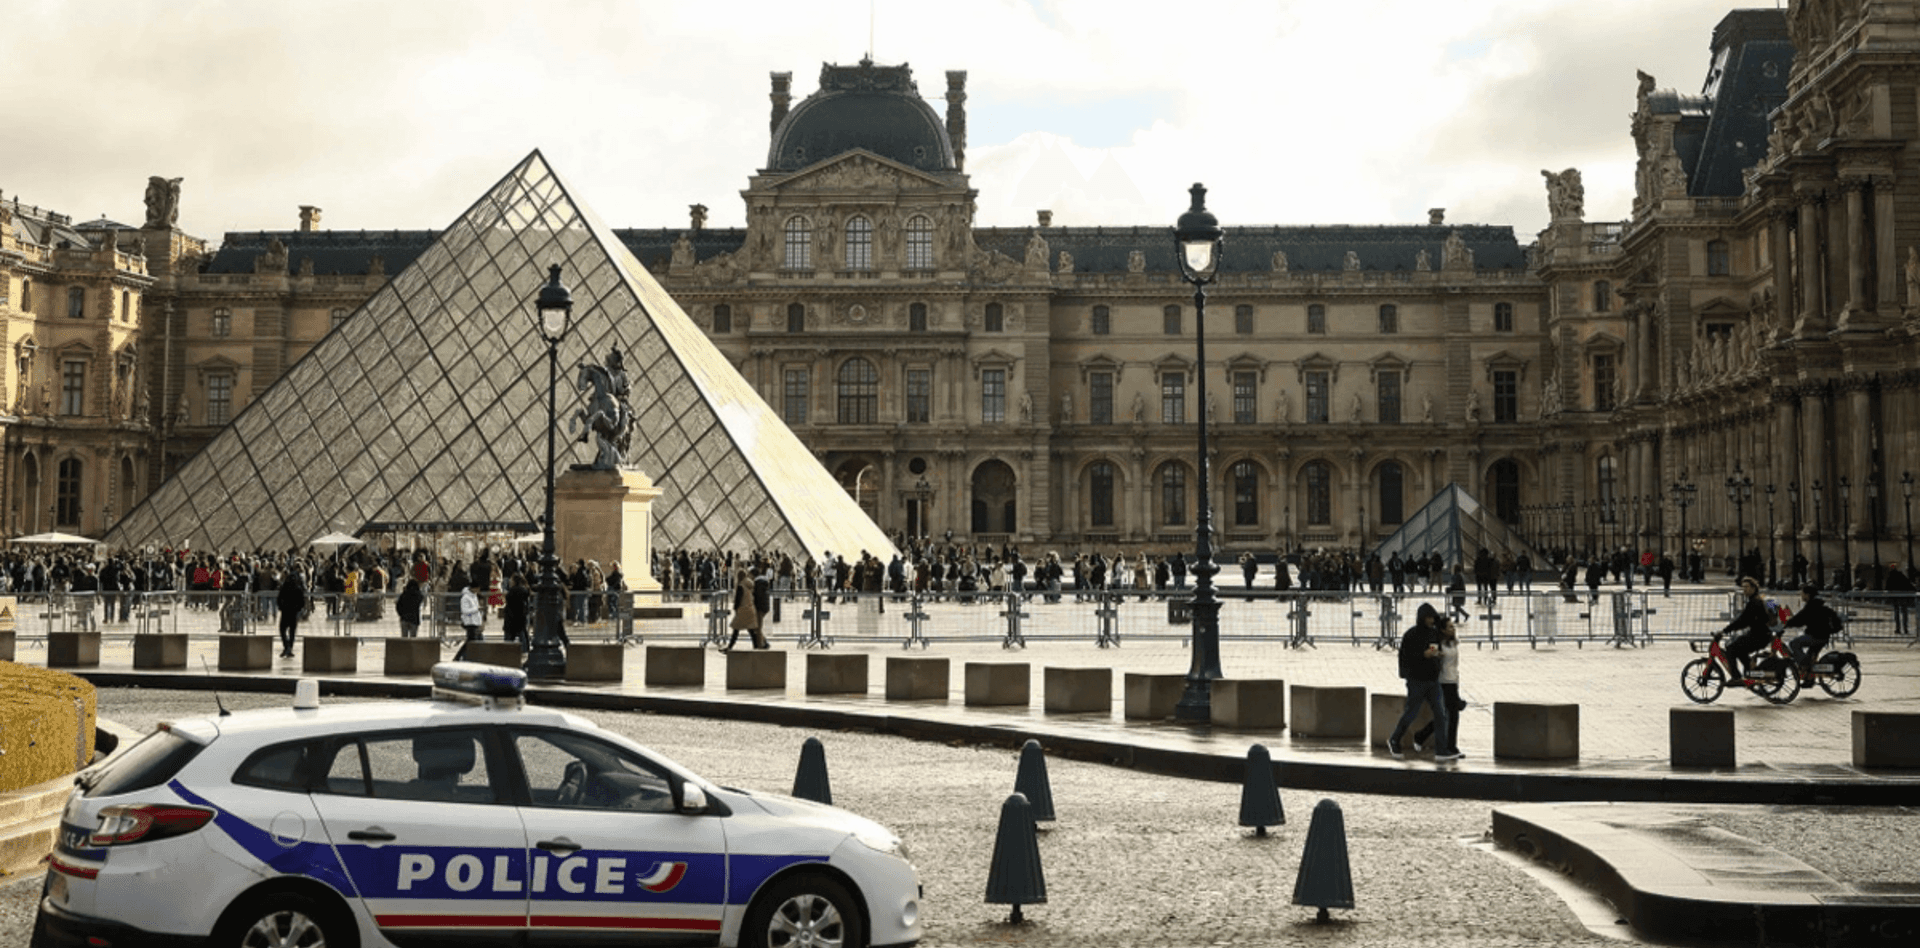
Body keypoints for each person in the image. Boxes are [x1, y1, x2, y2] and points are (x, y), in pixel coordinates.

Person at [1388, 603, 1455, 761]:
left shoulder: (1433, 634)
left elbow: (1435, 648)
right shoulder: (1411, 635)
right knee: (1411, 713)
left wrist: (1437, 656)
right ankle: (1394, 739)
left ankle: (1441, 750)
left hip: (1433, 680)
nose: (1432, 621)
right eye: (1429, 618)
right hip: (1417, 681)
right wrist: (1422, 656)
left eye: (1433, 618)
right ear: (1422, 618)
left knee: (1440, 714)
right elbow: (1406, 657)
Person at [1412, 616, 1464, 759]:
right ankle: (1450, 746)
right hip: (1442, 682)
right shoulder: (1437, 643)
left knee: (1450, 715)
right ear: (1442, 630)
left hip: (1453, 681)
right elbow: (1429, 659)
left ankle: (1422, 736)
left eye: (1453, 626)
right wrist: (1436, 656)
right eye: (1449, 627)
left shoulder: (1453, 643)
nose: (1453, 629)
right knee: (1450, 715)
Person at [1718, 576, 1774, 678]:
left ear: (1754, 588)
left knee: (1731, 649)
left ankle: (1736, 677)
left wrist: (1725, 630)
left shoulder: (1755, 602)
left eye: (1747, 587)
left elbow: (1743, 620)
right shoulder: (1755, 600)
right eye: (1743, 587)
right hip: (1760, 635)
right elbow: (1744, 620)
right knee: (1739, 649)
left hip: (1759, 636)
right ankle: (1750, 673)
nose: (1744, 590)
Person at [1781, 584, 1842, 676]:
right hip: (1823, 637)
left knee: (1794, 643)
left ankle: (1804, 666)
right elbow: (1800, 619)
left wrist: (1786, 624)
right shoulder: (1818, 605)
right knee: (1810, 658)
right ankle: (1808, 676)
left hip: (1815, 636)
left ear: (1807, 595)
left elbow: (1799, 619)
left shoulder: (1811, 606)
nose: (1801, 596)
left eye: (1802, 594)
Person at [725, 566, 768, 651]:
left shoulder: (741, 585)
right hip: (750, 609)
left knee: (736, 630)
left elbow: (738, 599)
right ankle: (757, 647)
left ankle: (729, 648)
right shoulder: (750, 584)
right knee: (751, 630)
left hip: (742, 610)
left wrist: (735, 608)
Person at [275, 566, 308, 657]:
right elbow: (302, 601)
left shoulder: (284, 586)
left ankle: (286, 646)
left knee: (282, 630)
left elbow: (279, 598)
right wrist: (299, 609)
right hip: (294, 612)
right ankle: (289, 648)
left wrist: (281, 607)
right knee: (292, 631)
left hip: (285, 611)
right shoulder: (298, 588)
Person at [453, 582, 484, 661]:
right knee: (470, 642)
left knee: (473, 641)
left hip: (475, 622)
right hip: (470, 622)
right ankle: (459, 657)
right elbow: (465, 611)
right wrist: (476, 609)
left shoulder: (474, 596)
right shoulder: (465, 598)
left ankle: (462, 657)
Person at [503, 574, 531, 650]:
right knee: (522, 635)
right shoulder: (524, 590)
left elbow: (509, 601)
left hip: (511, 617)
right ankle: (525, 650)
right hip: (521, 616)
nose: (510, 581)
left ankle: (507, 650)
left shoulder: (512, 591)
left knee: (509, 636)